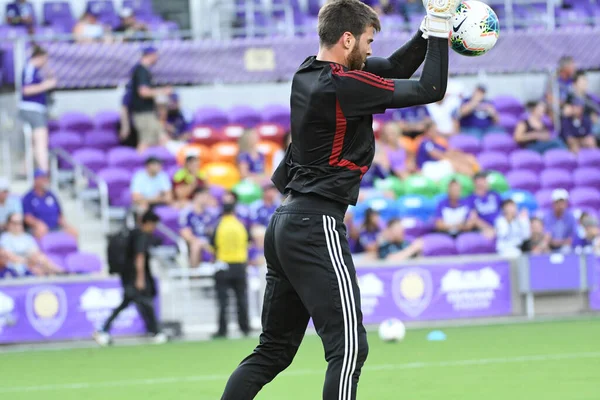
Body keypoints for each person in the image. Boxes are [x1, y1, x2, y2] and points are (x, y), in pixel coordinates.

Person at [219, 0, 454, 397]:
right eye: (367, 41)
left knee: (273, 350)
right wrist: (443, 31)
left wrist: (428, 27)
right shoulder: (344, 86)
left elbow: (394, 69)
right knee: (349, 348)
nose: (371, 49)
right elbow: (431, 88)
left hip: (285, 223)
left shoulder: (308, 73)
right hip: (316, 225)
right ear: (347, 39)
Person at [94, 210, 167, 346]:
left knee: (128, 303)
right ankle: (156, 331)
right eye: (154, 225)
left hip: (126, 276)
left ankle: (104, 330)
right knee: (145, 303)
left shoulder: (132, 234)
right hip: (135, 277)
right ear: (149, 223)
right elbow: (139, 257)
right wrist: (140, 278)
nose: (154, 228)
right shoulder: (141, 236)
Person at [211, 194, 250, 339]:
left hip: (223, 266)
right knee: (242, 299)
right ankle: (244, 327)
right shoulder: (240, 226)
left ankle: (222, 330)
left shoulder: (219, 226)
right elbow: (248, 241)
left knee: (223, 301)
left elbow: (213, 245)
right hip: (240, 265)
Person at [20, 45, 56, 173]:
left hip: (36, 109)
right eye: (44, 59)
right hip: (33, 109)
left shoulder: (35, 70)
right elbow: (26, 90)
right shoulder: (30, 68)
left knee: (33, 144)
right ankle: (44, 171)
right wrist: (45, 85)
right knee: (41, 141)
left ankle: (23, 170)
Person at [129, 46, 171, 152]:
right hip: (143, 113)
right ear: (150, 55)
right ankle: (138, 164)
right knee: (146, 141)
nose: (157, 58)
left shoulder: (143, 70)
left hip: (149, 113)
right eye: (156, 55)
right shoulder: (141, 70)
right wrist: (163, 91)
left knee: (162, 138)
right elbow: (143, 92)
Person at [22, 170, 78, 239]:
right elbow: (27, 217)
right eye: (42, 178)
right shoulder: (28, 197)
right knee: (40, 231)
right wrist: (38, 224)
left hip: (55, 226)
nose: (44, 180)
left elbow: (60, 214)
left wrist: (65, 224)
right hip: (38, 227)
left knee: (73, 231)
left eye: (45, 178)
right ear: (35, 180)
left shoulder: (51, 195)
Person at [179, 187, 217, 268]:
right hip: (195, 241)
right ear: (197, 196)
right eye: (205, 195)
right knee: (196, 245)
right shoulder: (187, 213)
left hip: (209, 241)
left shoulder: (210, 214)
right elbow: (185, 233)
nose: (207, 198)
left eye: (208, 196)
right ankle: (194, 274)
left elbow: (213, 231)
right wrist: (200, 242)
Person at [467, 171, 501, 238]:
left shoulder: (494, 194)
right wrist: (489, 229)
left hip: (500, 226)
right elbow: (473, 219)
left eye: (485, 180)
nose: (486, 182)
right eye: (483, 180)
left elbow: (504, 209)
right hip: (483, 230)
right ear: (476, 182)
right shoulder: (470, 199)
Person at [543, 188, 576, 253]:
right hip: (550, 247)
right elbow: (547, 238)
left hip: (566, 247)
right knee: (544, 249)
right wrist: (562, 242)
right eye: (557, 202)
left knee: (566, 250)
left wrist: (557, 242)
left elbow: (572, 238)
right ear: (553, 203)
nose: (560, 205)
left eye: (562, 202)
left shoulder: (570, 217)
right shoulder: (547, 217)